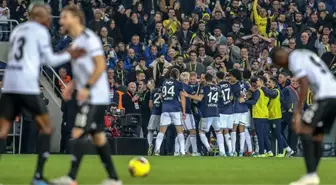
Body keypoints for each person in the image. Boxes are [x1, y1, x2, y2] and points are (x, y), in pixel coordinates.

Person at [0, 2, 84, 185]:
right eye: (47, 14)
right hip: (26, 84)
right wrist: (70, 53)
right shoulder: (40, 31)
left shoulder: (17, 30)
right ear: (38, 16)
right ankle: (38, 176)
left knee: (3, 130)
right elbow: (51, 60)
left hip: (9, 83)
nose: (49, 18)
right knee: (46, 128)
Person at [50, 6, 121, 185]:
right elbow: (83, 70)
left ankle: (71, 177)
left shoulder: (89, 39)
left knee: (78, 132)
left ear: (75, 18)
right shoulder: (77, 42)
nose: (61, 21)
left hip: (95, 95)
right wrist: (71, 86)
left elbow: (100, 66)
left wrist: (87, 87)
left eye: (64, 17)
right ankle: (113, 178)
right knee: (98, 137)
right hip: (91, 95)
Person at [271, 47, 336, 185]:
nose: (282, 66)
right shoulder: (305, 54)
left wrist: (297, 112)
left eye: (279, 63)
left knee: (304, 130)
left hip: (326, 96)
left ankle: (311, 175)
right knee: (317, 135)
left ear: (281, 57)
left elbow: (304, 83)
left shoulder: (294, 58)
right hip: (332, 94)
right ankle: (313, 175)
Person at [182, 73, 225, 156]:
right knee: (219, 132)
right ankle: (222, 152)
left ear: (205, 79)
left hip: (206, 113)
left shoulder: (204, 88)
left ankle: (209, 148)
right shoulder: (218, 88)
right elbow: (221, 100)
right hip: (216, 113)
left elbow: (199, 98)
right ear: (212, 78)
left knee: (201, 132)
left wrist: (188, 95)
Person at [154, 68, 186, 156]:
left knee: (161, 131)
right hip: (175, 109)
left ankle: (156, 151)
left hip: (165, 109)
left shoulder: (164, 82)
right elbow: (182, 97)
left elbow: (161, 97)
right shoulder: (179, 84)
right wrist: (183, 111)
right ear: (178, 75)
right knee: (179, 131)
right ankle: (182, 151)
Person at [175, 72, 198, 156]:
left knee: (181, 132)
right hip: (186, 112)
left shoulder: (176, 87)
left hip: (177, 111)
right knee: (193, 131)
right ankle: (195, 152)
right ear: (187, 79)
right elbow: (196, 98)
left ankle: (177, 151)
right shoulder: (187, 87)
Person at [217, 71, 233, 156]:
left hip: (221, 111)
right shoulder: (230, 85)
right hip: (229, 111)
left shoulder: (217, 86)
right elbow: (232, 97)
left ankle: (222, 151)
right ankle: (230, 151)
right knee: (226, 130)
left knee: (219, 131)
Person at [147, 79, 162, 155]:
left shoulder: (153, 91)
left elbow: (150, 104)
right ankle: (157, 149)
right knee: (160, 132)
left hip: (154, 112)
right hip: (162, 113)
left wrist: (152, 111)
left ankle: (150, 144)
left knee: (150, 130)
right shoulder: (164, 89)